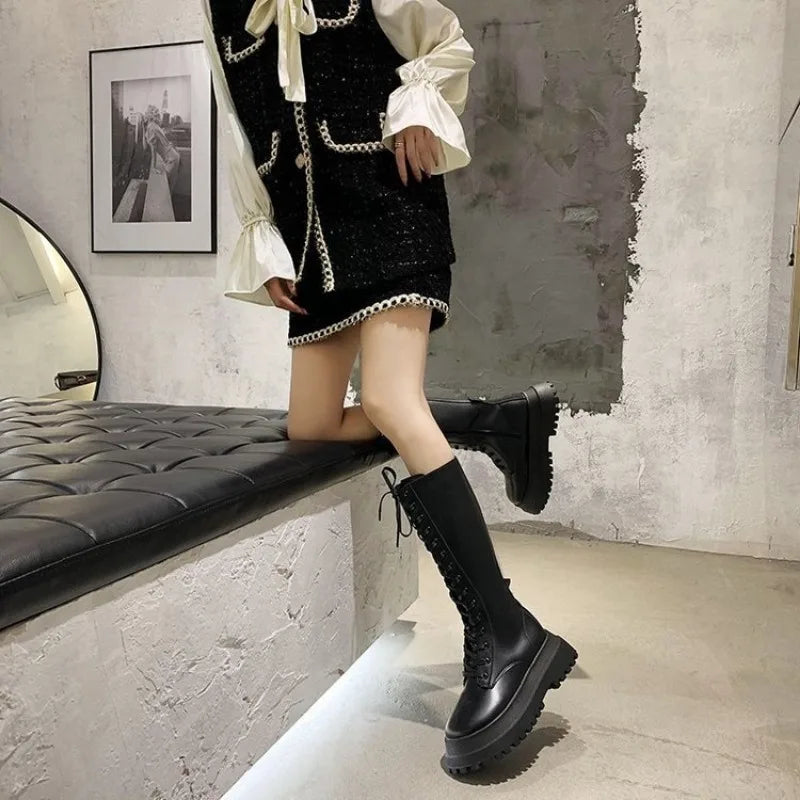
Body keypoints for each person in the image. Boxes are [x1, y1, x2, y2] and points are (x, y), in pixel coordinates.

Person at [202, 0, 577, 774]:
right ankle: (492, 421)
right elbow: (238, 123)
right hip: (312, 243)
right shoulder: (220, 7)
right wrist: (261, 235)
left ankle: (503, 628)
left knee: (386, 399)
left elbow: (445, 41)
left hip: (390, 206)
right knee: (311, 427)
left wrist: (416, 103)